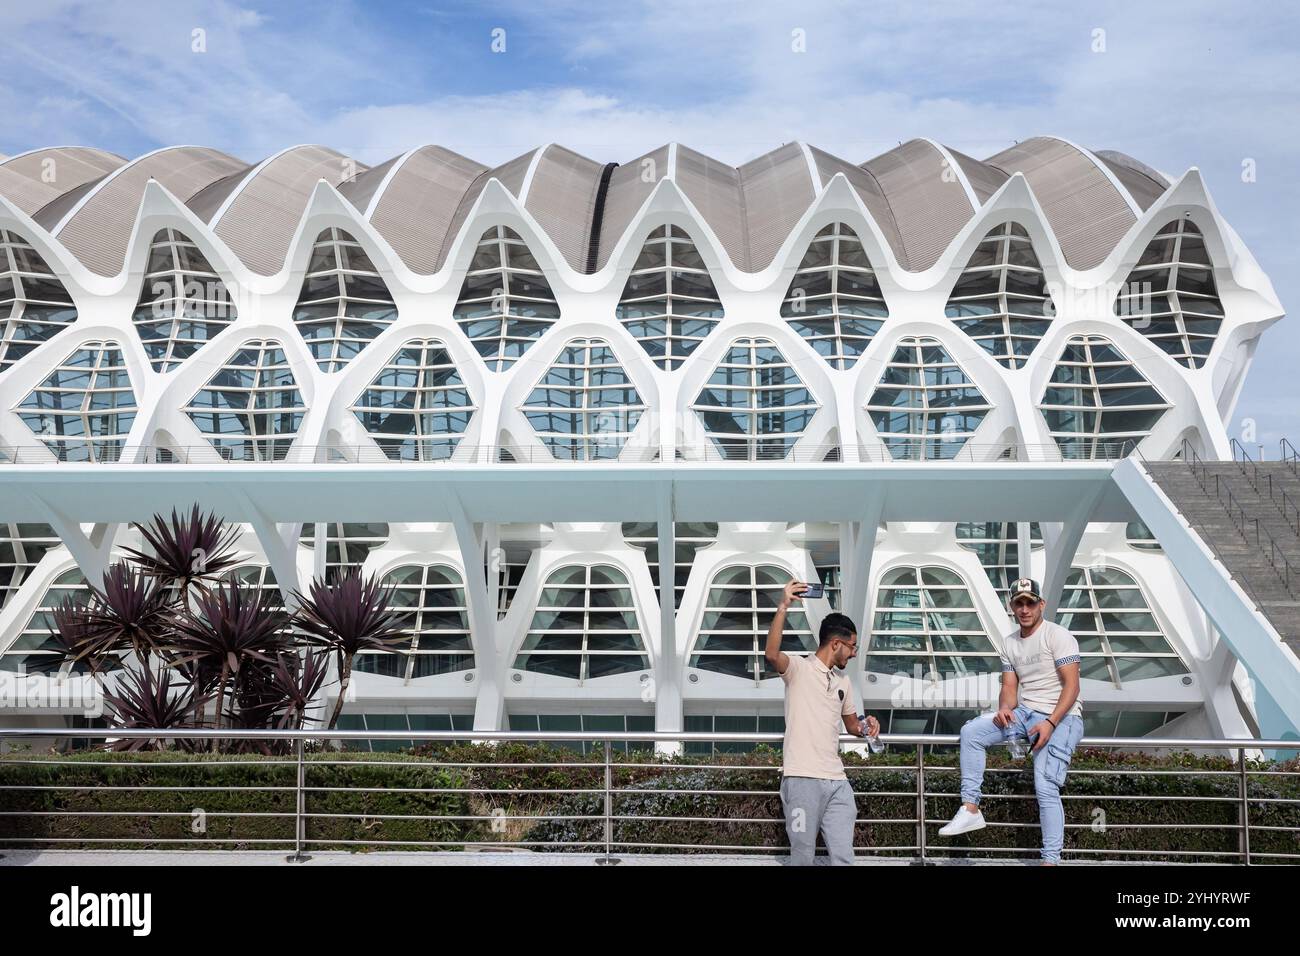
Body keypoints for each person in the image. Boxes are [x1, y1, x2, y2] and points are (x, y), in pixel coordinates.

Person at [938, 577, 1085, 865]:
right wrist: (1005, 708)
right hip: (1026, 712)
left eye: (1030, 602)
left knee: (1045, 786)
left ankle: (1050, 860)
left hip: (1063, 716)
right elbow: (1009, 687)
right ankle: (970, 809)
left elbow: (1072, 687)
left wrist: (1051, 723)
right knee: (972, 733)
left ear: (1041, 604)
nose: (1025, 608)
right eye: (1019, 603)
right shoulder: (1009, 643)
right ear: (1012, 607)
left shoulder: (1058, 636)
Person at [764, 580, 880, 866]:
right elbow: (770, 655)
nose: (854, 653)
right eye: (852, 647)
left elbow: (853, 726)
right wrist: (784, 606)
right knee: (802, 858)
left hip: (838, 782)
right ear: (836, 644)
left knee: (843, 857)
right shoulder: (798, 669)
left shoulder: (844, 681)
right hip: (802, 779)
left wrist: (868, 725)